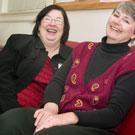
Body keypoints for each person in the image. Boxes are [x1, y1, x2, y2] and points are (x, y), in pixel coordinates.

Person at [1, 1, 135, 135]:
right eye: (116, 15)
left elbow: (114, 114)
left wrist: (65, 118)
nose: (117, 21)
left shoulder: (131, 61)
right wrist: (50, 110)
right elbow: (57, 82)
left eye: (126, 21)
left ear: (133, 34)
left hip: (95, 127)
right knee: (11, 120)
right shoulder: (83, 48)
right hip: (60, 115)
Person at [0, 4, 72, 114]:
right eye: (47, 19)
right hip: (9, 107)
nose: (52, 23)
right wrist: (12, 111)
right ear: (38, 26)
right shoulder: (18, 42)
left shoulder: (72, 55)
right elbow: (3, 78)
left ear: (64, 29)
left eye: (58, 21)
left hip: (45, 116)